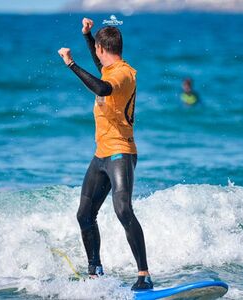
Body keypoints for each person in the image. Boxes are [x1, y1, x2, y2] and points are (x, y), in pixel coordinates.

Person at [58, 18, 153, 291]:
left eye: (97, 49)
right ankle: (95, 272)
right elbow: (101, 70)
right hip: (101, 155)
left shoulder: (123, 74)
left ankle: (144, 275)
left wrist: (71, 64)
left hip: (121, 152)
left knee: (123, 210)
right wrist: (87, 36)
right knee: (84, 215)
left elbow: (101, 87)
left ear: (103, 48)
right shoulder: (111, 69)